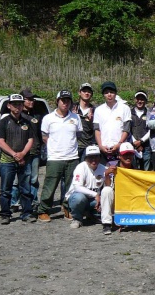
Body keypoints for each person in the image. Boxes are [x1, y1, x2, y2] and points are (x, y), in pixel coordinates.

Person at [38, 90, 83, 222]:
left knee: (71, 187)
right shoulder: (48, 118)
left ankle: (67, 208)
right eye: (63, 100)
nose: (65, 103)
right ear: (57, 101)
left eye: (68, 100)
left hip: (72, 157)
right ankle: (43, 210)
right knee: (50, 185)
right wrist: (55, 147)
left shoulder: (75, 118)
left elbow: (78, 135)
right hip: (55, 158)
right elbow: (45, 137)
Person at [0, 94, 35, 224]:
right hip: (7, 161)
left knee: (26, 189)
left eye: (19, 104)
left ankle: (27, 213)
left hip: (24, 160)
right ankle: (5, 214)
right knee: (6, 189)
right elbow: (1, 142)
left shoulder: (27, 122)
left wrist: (23, 153)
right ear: (9, 106)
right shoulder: (3, 122)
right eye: (14, 104)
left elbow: (31, 140)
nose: (17, 106)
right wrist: (14, 154)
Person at [10, 88, 43, 215]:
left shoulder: (36, 115)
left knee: (33, 179)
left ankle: (33, 201)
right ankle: (14, 202)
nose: (31, 101)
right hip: (20, 152)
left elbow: (41, 134)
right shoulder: (17, 116)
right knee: (17, 180)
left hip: (35, 151)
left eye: (32, 99)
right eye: (28, 99)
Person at [66, 145, 109, 230]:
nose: (94, 160)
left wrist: (107, 175)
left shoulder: (104, 168)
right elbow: (77, 187)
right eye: (91, 157)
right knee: (79, 198)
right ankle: (77, 219)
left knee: (107, 199)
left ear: (100, 157)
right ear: (85, 158)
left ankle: (93, 215)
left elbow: (108, 187)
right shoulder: (81, 167)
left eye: (96, 157)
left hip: (93, 201)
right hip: (78, 197)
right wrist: (95, 194)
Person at [100, 142, 135, 235]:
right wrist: (107, 174)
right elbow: (108, 186)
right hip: (116, 199)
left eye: (130, 154)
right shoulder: (112, 166)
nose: (128, 157)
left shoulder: (136, 169)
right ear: (119, 156)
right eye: (125, 155)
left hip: (130, 200)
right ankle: (107, 223)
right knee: (106, 190)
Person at [94, 81, 132, 164]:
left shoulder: (125, 108)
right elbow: (97, 130)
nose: (109, 95)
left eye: (111, 92)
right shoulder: (98, 110)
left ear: (115, 93)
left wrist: (119, 144)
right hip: (104, 149)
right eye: (106, 92)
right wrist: (100, 146)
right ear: (103, 94)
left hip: (120, 148)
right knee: (105, 174)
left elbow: (126, 129)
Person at [71, 83, 96, 160]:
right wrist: (72, 116)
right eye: (84, 91)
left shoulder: (95, 111)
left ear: (91, 94)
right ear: (79, 92)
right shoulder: (71, 108)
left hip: (88, 146)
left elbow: (97, 130)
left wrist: (91, 121)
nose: (86, 93)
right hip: (73, 146)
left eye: (89, 92)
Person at [130, 90, 151, 170]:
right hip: (132, 145)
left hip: (146, 146)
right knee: (133, 168)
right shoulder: (129, 113)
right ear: (135, 100)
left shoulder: (149, 113)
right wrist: (135, 142)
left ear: (145, 101)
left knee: (146, 170)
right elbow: (127, 129)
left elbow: (150, 130)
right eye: (138, 99)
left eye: (142, 99)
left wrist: (141, 141)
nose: (140, 101)